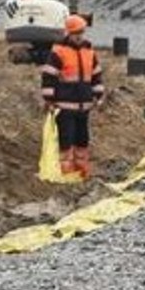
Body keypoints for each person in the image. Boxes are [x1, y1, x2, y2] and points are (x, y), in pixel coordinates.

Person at [41, 14, 105, 179]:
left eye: (81, 32)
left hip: (84, 106)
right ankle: (66, 174)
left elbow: (96, 75)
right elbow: (49, 76)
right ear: (68, 33)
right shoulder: (59, 52)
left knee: (82, 140)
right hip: (64, 107)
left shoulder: (89, 52)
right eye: (76, 33)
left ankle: (82, 171)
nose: (79, 36)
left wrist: (98, 95)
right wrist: (49, 100)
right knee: (66, 141)